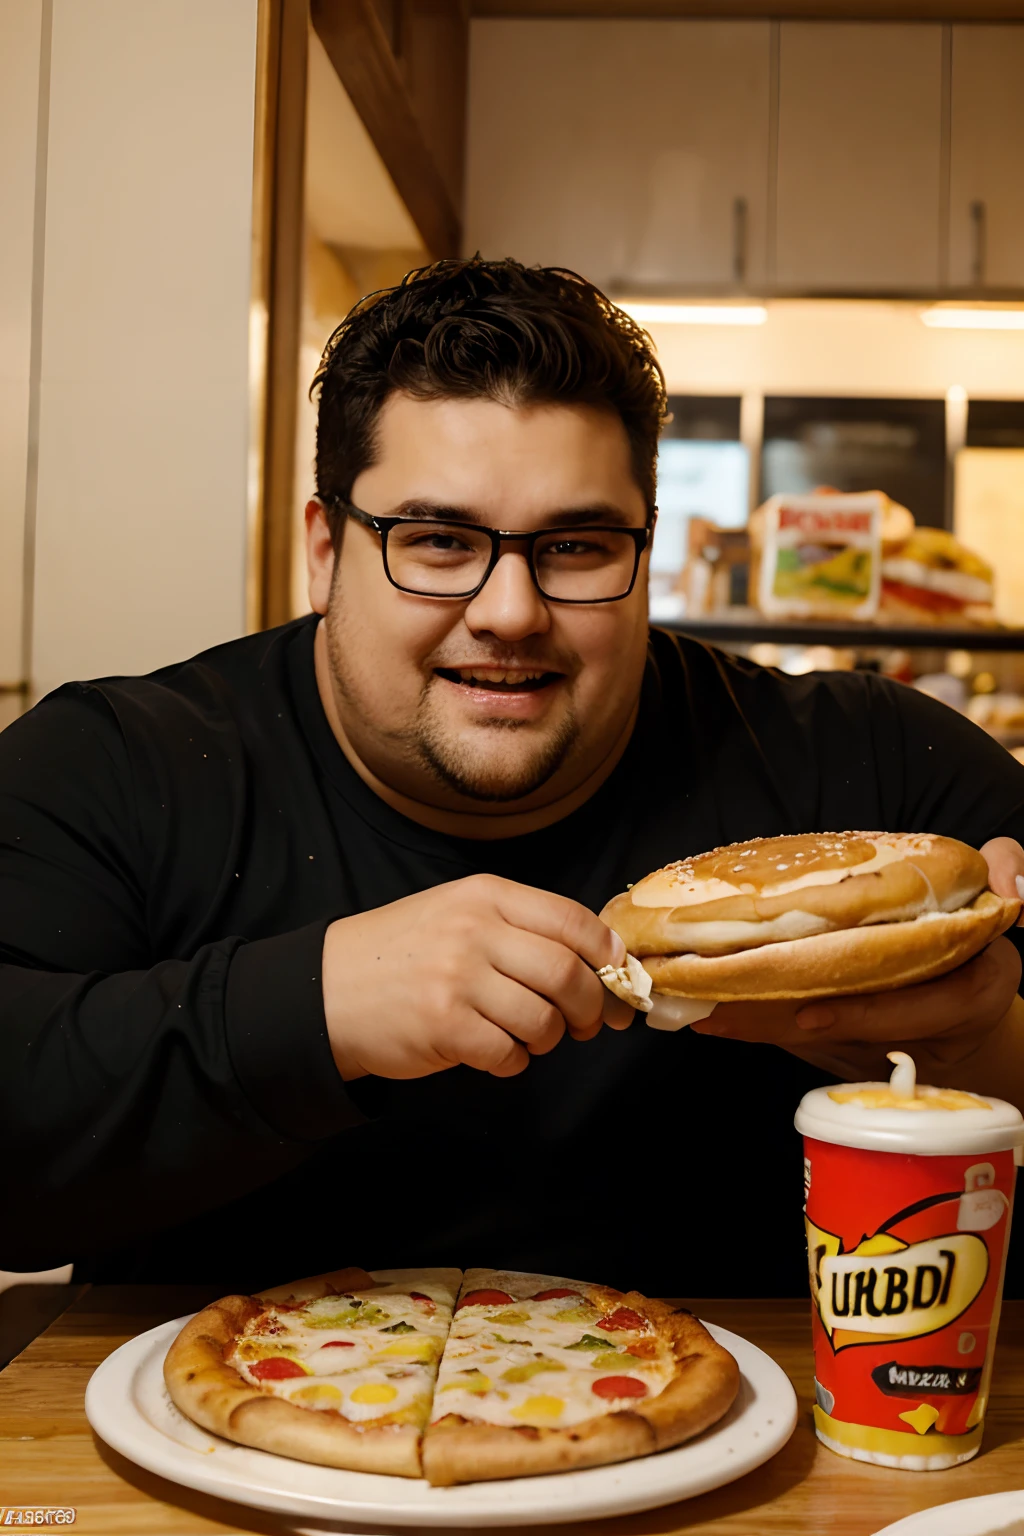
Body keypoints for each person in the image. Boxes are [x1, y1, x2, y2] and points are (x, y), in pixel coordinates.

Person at [2, 257, 1024, 1298]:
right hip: (220, 1429)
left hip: (769, 1438)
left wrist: (978, 1050)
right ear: (324, 549)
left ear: (644, 553)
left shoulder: (879, 771)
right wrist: (311, 1009)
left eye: (574, 545)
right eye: (437, 540)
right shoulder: (120, 766)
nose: (509, 610)